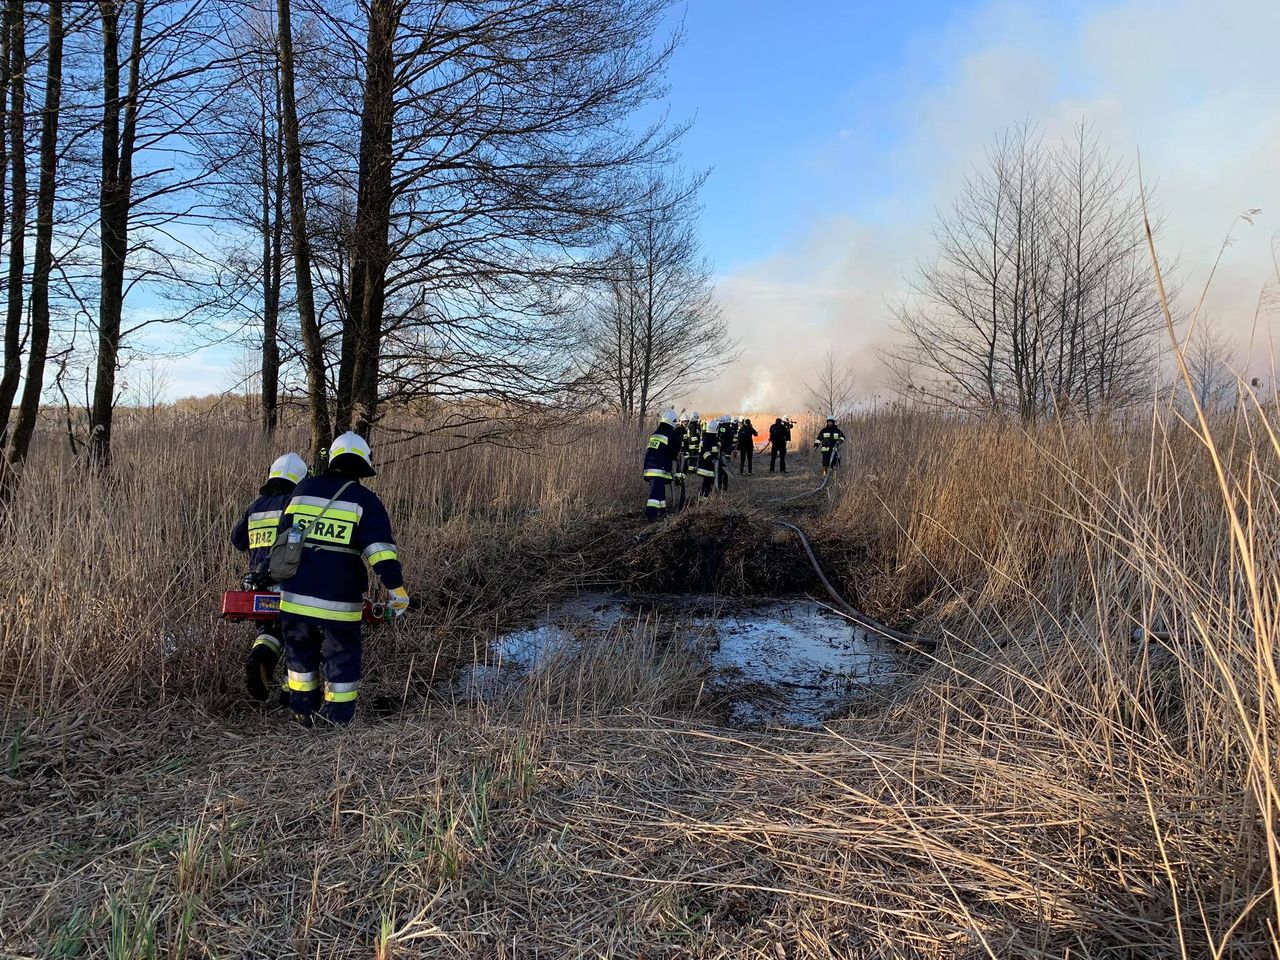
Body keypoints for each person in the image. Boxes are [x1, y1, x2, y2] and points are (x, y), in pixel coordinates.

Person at [275, 432, 409, 726]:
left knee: (299, 656)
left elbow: (281, 542)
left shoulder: (301, 490)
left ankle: (302, 712)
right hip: (339, 599)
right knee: (342, 657)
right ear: (362, 465)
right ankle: (337, 720)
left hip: (295, 596)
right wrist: (395, 587)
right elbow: (380, 551)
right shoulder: (364, 500)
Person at [231, 452, 308, 702]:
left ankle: (258, 659)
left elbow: (238, 540)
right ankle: (289, 692)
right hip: (287, 582)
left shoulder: (254, 507)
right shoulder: (293, 504)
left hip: (258, 585)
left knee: (269, 630)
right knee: (298, 636)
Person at [643, 409, 679, 521]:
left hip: (649, 468)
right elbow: (674, 451)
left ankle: (662, 514)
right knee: (656, 494)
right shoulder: (669, 434)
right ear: (673, 421)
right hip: (659, 468)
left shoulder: (656, 433)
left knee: (660, 492)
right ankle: (651, 516)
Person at [697, 417, 721, 500]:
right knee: (707, 483)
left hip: (707, 465)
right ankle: (704, 500)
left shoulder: (709, 437)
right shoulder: (708, 439)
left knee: (707, 483)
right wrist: (712, 459)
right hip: (707, 466)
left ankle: (703, 499)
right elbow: (705, 452)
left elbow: (716, 443)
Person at [683, 411, 702, 481]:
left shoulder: (692, 425)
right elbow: (693, 436)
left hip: (693, 445)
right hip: (693, 446)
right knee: (693, 458)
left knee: (694, 458)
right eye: (697, 417)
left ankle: (692, 469)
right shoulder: (693, 426)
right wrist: (698, 440)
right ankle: (690, 470)